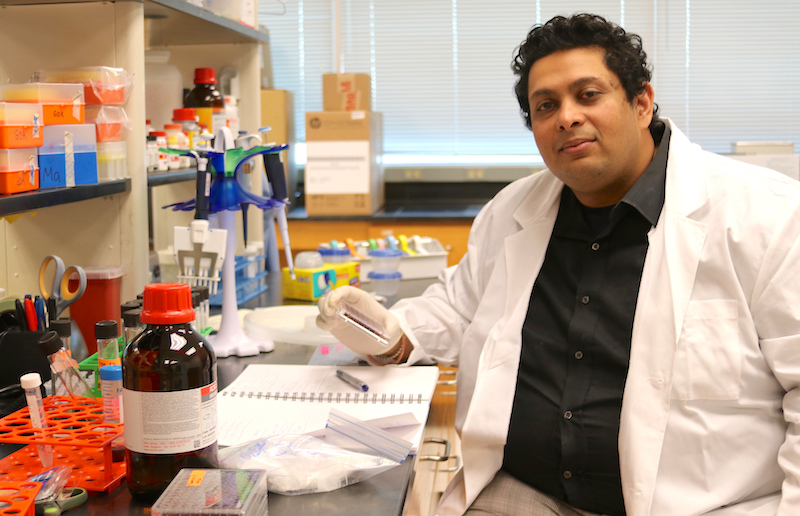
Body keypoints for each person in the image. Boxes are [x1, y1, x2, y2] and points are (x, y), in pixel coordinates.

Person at [317, 13, 800, 516]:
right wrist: (390, 335)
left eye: (588, 95)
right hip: (526, 490)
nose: (567, 116)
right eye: (546, 106)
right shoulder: (511, 212)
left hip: (702, 504)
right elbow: (459, 310)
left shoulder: (769, 218)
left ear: (641, 103)